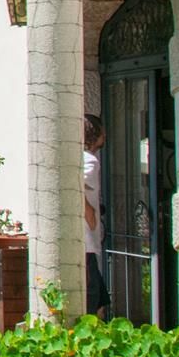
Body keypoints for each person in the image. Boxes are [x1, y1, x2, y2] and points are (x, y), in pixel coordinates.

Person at [82, 114, 108, 318]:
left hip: (86, 241)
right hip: (85, 242)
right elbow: (75, 185)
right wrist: (89, 212)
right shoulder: (90, 161)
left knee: (101, 298)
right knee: (93, 296)